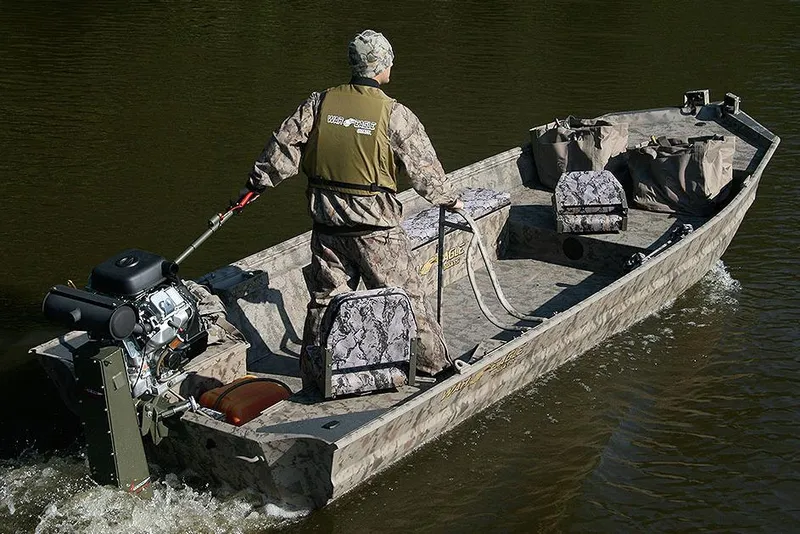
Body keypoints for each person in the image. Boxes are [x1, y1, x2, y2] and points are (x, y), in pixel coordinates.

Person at [244, 29, 462, 381]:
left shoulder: (319, 103)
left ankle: (315, 372)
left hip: (328, 229)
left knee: (325, 302)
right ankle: (436, 367)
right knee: (406, 298)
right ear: (382, 66)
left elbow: (282, 148)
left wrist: (255, 185)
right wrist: (450, 200)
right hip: (377, 232)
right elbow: (425, 173)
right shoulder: (395, 114)